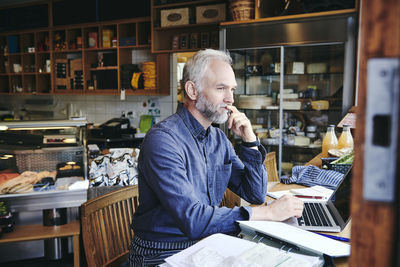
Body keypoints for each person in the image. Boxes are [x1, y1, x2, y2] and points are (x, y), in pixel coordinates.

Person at [129, 49, 304, 266]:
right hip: (160, 255)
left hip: (205, 245)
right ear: (192, 90)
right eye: (221, 88)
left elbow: (255, 193)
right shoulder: (163, 140)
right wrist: (268, 213)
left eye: (232, 89)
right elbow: (193, 220)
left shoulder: (218, 139)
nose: (230, 99)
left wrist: (249, 141)